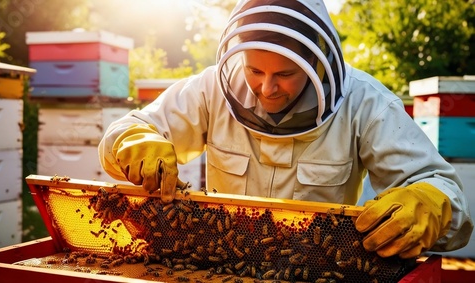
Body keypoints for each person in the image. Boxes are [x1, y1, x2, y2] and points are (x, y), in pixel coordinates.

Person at [98, 0, 473, 259]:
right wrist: (137, 139)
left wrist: (428, 203)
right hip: (224, 265)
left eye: (285, 74)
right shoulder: (210, 88)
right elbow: (127, 131)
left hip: (316, 271)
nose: (266, 88)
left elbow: (448, 199)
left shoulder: (366, 103)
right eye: (253, 70)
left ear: (316, 60)